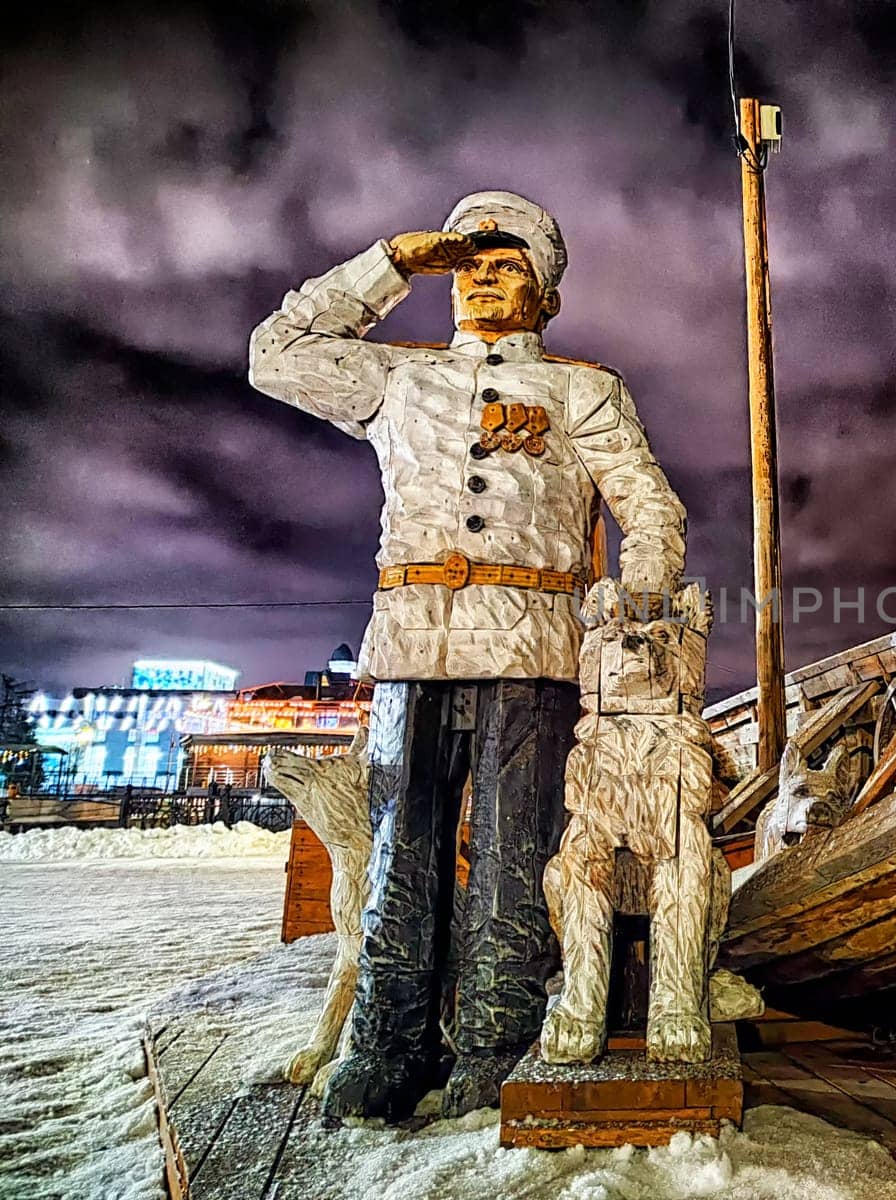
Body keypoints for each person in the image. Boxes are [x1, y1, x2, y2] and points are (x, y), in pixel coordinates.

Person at [248, 191, 686, 1119]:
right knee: (400, 850)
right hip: (410, 645)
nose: (483, 278)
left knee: (516, 852)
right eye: (470, 264)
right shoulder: (398, 381)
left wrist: (642, 591)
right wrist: (391, 264)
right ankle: (385, 1047)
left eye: (508, 264)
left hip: (531, 649)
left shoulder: (582, 390)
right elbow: (273, 355)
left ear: (547, 294)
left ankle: (498, 1045)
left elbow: (647, 502)